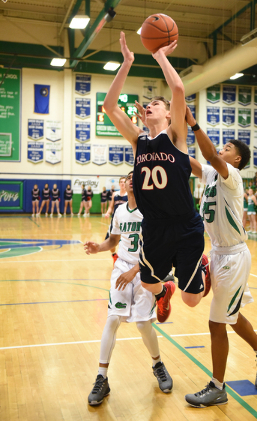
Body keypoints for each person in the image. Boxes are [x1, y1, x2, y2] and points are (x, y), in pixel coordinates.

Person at [102, 32, 209, 323]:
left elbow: (176, 88)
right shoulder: (138, 141)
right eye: (147, 105)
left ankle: (201, 268)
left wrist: (160, 55)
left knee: (192, 301)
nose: (149, 106)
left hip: (185, 224)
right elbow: (109, 107)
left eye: (156, 105)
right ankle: (166, 290)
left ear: (168, 115)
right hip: (154, 226)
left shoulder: (175, 136)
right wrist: (126, 63)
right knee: (150, 284)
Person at [183, 107, 257, 407]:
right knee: (231, 317)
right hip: (219, 253)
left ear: (236, 159)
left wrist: (194, 124)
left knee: (216, 323)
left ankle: (217, 386)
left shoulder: (231, 175)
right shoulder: (211, 172)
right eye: (221, 146)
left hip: (234, 256)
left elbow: (209, 155)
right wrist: (159, 136)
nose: (221, 149)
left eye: (227, 148)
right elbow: (185, 161)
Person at [84, 171, 172, 405]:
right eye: (130, 176)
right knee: (112, 319)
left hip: (144, 270)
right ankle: (102, 378)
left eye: (137, 176)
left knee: (143, 324)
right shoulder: (120, 210)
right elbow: (113, 241)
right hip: (121, 268)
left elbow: (158, 248)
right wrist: (98, 247)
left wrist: (136, 270)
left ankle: (158, 364)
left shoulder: (153, 210)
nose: (133, 179)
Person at [105, 177, 128, 262]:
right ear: (119, 184)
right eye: (121, 182)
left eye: (124, 182)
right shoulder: (115, 194)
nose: (122, 183)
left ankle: (123, 258)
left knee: (124, 241)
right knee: (110, 240)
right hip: (115, 220)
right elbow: (111, 206)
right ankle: (114, 255)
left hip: (125, 220)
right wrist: (108, 212)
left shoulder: (129, 194)